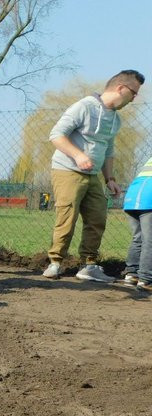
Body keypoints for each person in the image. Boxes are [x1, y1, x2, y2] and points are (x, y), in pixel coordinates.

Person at [43, 69, 145, 282]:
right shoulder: (85, 107)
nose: (135, 98)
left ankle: (88, 265)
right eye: (133, 93)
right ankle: (55, 262)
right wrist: (78, 155)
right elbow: (56, 135)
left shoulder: (115, 120)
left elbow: (108, 150)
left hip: (92, 177)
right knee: (67, 217)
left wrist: (110, 179)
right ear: (120, 88)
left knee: (98, 217)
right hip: (67, 170)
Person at [121, 155, 152, 292]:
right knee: (149, 241)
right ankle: (146, 280)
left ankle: (132, 275)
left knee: (138, 238)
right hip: (149, 197)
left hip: (132, 197)